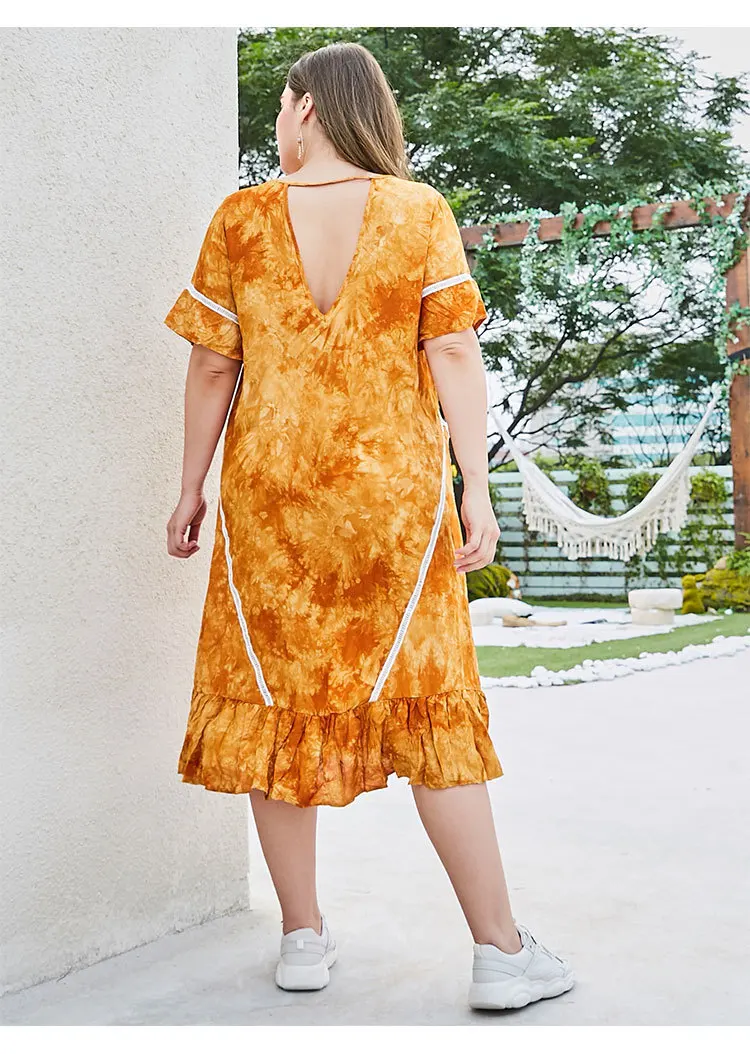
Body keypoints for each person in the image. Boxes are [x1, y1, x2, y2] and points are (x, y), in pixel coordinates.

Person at [163, 41, 575, 1012]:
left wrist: (190, 488)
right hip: (393, 507)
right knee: (432, 710)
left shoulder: (241, 218)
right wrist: (476, 486)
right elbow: (455, 351)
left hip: (270, 505)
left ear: (307, 107)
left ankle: (301, 938)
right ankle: (500, 953)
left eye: (281, 105)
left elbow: (214, 365)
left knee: (275, 705)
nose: (278, 122)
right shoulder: (418, 211)